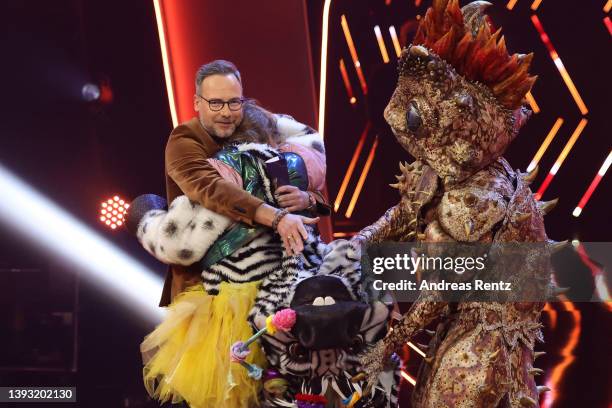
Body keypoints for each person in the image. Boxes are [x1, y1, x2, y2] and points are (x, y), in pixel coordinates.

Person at [129, 100, 330, 408]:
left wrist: (145, 216)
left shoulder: (225, 171)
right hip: (297, 301)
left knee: (235, 391)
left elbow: (179, 243)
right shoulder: (298, 170)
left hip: (239, 310)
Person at [161, 60, 329, 307]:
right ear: (197, 102)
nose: (226, 112)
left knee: (364, 263)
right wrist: (277, 217)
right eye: (216, 103)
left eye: (233, 102)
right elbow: (210, 188)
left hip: (282, 272)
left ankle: (397, 317)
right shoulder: (184, 139)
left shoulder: (254, 126)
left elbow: (307, 184)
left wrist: (308, 199)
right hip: (212, 288)